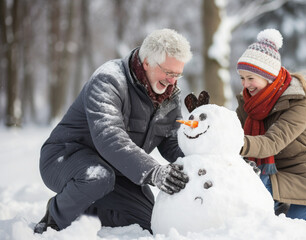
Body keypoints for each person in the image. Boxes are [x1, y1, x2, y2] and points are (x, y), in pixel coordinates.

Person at [34, 28, 192, 234]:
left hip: (116, 169)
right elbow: (110, 138)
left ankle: (84, 212)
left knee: (147, 222)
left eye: (178, 74)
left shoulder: (170, 97)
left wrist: (207, 161)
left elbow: (171, 142)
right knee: (98, 177)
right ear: (147, 62)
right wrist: (154, 172)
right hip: (64, 157)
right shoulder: (109, 80)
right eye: (169, 73)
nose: (173, 81)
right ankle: (53, 221)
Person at [235, 29, 306, 220]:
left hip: (304, 180)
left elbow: (271, 143)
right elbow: (231, 128)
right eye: (242, 78)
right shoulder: (248, 104)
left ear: (268, 77)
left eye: (251, 78)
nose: (245, 85)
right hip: (273, 177)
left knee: (300, 233)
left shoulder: (297, 104)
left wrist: (230, 140)